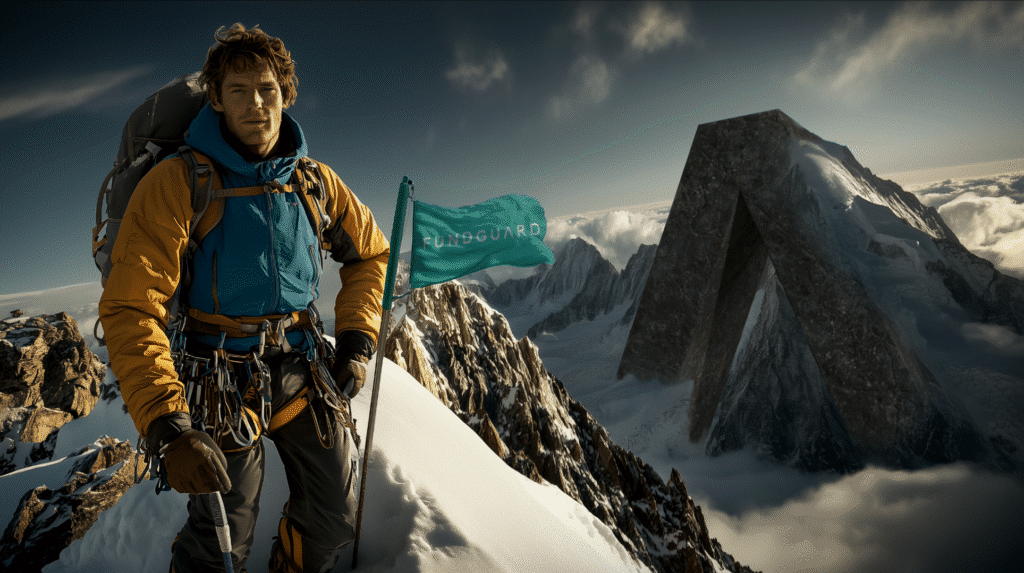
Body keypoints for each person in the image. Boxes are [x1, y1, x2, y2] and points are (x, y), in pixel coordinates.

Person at [99, 23, 389, 573]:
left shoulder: (314, 182)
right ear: (215, 98)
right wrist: (166, 423)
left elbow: (371, 255)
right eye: (239, 91)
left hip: (304, 368)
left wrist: (355, 338)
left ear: (286, 94)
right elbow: (132, 305)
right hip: (217, 376)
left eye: (268, 90)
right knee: (222, 536)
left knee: (334, 517)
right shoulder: (179, 182)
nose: (257, 105)